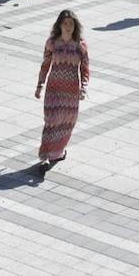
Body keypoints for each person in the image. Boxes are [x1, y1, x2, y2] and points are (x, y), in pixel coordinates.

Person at [35, 9, 90, 173]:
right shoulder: (52, 43)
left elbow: (85, 69)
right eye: (65, 23)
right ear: (59, 25)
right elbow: (45, 64)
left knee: (66, 124)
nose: (68, 27)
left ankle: (57, 153)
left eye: (71, 24)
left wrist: (84, 87)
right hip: (53, 89)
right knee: (51, 121)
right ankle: (45, 156)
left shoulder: (80, 46)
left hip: (71, 92)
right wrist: (40, 85)